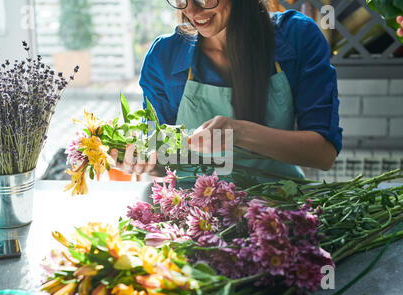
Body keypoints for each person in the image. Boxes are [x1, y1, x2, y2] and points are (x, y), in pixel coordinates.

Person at [110, 0, 343, 181]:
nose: (192, 11)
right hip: (191, 212)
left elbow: (323, 153)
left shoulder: (298, 36)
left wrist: (238, 133)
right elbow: (162, 159)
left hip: (277, 206)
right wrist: (143, 161)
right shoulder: (164, 56)